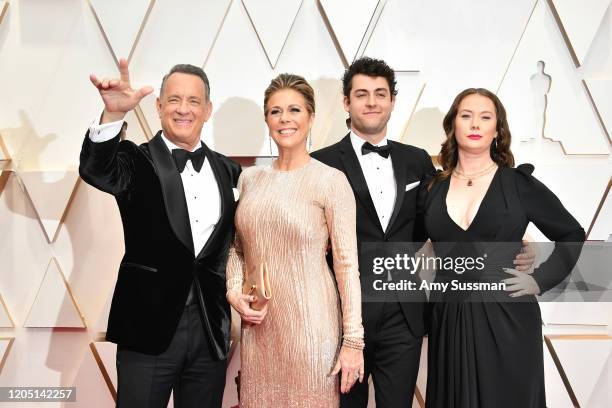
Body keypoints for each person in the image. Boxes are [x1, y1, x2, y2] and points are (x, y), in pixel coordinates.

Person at [311, 57, 536, 408]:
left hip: (406, 315)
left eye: (380, 93)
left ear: (392, 101)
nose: (372, 102)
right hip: (344, 316)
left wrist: (513, 241)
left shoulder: (416, 161)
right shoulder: (320, 162)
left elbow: (445, 219)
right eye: (362, 94)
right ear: (346, 102)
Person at [80, 59, 241, 408]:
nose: (184, 109)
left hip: (209, 330)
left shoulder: (228, 170)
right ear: (159, 106)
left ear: (207, 109)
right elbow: (96, 170)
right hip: (147, 326)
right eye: (174, 100)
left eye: (194, 101)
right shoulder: (135, 160)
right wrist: (112, 116)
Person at [420, 88, 585, 407]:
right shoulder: (432, 189)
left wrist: (539, 280)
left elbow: (571, 233)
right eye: (466, 116)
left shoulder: (517, 184)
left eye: (485, 117)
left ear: (497, 130)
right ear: (454, 124)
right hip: (448, 317)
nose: (475, 124)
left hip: (507, 317)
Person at [226, 73, 365, 407]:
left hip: (312, 330)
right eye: (275, 112)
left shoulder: (331, 181)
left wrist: (354, 342)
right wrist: (233, 290)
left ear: (311, 117)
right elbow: (237, 249)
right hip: (259, 330)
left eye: (294, 110)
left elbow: (347, 266)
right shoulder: (250, 179)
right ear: (266, 120)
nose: (284, 119)